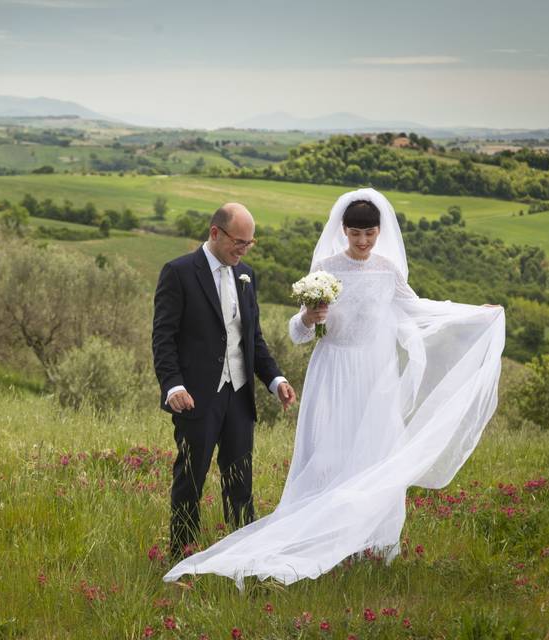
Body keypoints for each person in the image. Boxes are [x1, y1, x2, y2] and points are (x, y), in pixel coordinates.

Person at [164, 188, 505, 588]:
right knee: (323, 459)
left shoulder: (387, 272)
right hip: (332, 375)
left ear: (379, 233)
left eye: (370, 234)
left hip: (374, 380)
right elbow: (297, 333)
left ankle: (366, 546)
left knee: (369, 458)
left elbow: (418, 308)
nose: (363, 242)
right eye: (356, 234)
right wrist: (309, 317)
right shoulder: (325, 269)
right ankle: (271, 541)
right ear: (343, 230)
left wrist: (470, 315)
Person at [152, 202, 299, 559]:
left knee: (241, 484)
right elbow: (163, 337)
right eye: (239, 241)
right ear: (215, 233)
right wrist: (173, 385)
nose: (244, 250)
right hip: (196, 397)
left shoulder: (246, 275)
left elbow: (253, 339)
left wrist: (275, 378)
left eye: (250, 243)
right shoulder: (179, 272)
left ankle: (240, 558)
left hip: (239, 397)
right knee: (190, 479)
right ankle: (183, 556)